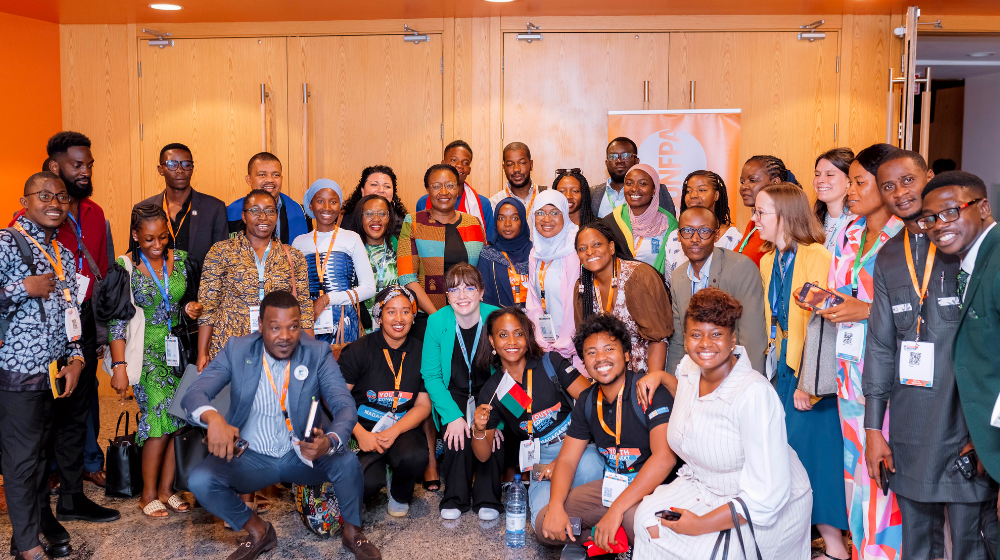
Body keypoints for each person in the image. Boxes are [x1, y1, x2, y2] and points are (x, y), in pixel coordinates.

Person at [183, 291, 381, 560]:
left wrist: (330, 440)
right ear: (261, 326)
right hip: (252, 457)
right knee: (201, 479)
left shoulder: (317, 352)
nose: (285, 336)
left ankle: (353, 533)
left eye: (293, 327)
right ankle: (258, 532)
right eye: (275, 328)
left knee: (346, 462)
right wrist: (213, 418)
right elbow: (194, 393)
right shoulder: (237, 350)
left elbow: (343, 405)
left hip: (303, 456)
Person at [865, 150, 992, 560]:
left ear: (930, 178)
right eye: (888, 186)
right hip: (912, 427)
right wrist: (872, 429)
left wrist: (988, 435)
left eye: (907, 181)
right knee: (918, 546)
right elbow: (881, 345)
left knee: (973, 544)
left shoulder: (964, 246)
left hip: (965, 424)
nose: (900, 193)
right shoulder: (886, 258)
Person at [631, 287, 813, 559]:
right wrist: (660, 376)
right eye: (696, 335)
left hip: (760, 503)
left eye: (716, 334)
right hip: (702, 486)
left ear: (733, 339)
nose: (705, 343)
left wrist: (700, 524)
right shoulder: (690, 369)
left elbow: (766, 496)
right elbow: (695, 406)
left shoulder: (753, 394)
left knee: (707, 552)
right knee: (646, 518)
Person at [806, 143, 904, 559]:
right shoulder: (848, 233)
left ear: (885, 187)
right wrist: (823, 299)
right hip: (848, 372)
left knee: (884, 479)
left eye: (860, 182)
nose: (850, 190)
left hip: (887, 375)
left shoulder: (906, 235)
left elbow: (916, 308)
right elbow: (845, 291)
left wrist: (864, 310)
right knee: (855, 478)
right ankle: (861, 550)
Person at [19, 133, 119, 520]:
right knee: (47, 414)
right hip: (43, 327)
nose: (85, 171)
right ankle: (40, 504)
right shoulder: (27, 222)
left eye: (89, 164)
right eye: (78, 165)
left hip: (82, 319)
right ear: (54, 167)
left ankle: (73, 497)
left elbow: (101, 270)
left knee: (79, 406)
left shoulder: (93, 212)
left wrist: (99, 329)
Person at [902, 169, 996, 558]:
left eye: (951, 212)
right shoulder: (974, 260)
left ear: (984, 207)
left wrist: (992, 438)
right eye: (930, 218)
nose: (939, 226)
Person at [535, 314, 676, 555]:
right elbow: (567, 460)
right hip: (612, 487)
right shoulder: (588, 401)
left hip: (654, 490)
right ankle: (607, 540)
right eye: (591, 353)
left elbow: (665, 458)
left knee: (634, 519)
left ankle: (624, 537)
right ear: (584, 363)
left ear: (627, 355)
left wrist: (616, 511)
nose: (600, 358)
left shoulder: (647, 390)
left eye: (609, 349)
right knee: (544, 524)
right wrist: (557, 506)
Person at [758, 183, 847, 558]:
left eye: (761, 212)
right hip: (779, 369)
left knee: (816, 456)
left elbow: (822, 323)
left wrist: (807, 384)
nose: (755, 218)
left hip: (808, 372)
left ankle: (835, 547)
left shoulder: (817, 256)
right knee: (787, 455)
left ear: (785, 215)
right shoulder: (766, 260)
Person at [0, 172, 87, 560]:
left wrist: (78, 357)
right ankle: (27, 547)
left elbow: (73, 311)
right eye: (45, 195)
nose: (55, 202)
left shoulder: (63, 253)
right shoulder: (6, 242)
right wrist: (24, 288)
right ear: (25, 200)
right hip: (16, 373)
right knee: (21, 461)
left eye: (62, 197)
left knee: (39, 459)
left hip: (53, 375)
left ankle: (32, 531)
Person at [104, 204, 203, 517]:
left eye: (162, 237)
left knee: (179, 421)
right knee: (158, 421)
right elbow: (117, 322)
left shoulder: (185, 261)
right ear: (135, 235)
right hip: (145, 353)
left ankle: (167, 489)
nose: (157, 245)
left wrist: (189, 308)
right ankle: (148, 495)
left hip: (180, 352)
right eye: (148, 240)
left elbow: (193, 299)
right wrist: (119, 367)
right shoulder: (125, 268)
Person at [470, 307, 604, 528]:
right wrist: (478, 429)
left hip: (576, 446)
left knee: (591, 471)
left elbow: (595, 402)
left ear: (528, 337)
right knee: (544, 526)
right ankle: (579, 531)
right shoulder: (493, 390)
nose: (512, 341)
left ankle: (587, 535)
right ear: (492, 342)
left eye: (519, 333)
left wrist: (561, 463)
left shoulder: (550, 363)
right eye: (503, 335)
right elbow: (483, 456)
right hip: (540, 461)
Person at [338, 286, 431, 517]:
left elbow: (423, 405)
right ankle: (380, 473)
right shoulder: (358, 350)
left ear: (413, 316)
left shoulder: (423, 352)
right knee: (367, 484)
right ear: (379, 316)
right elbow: (336, 399)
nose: (399, 319)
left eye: (405, 311)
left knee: (415, 456)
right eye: (391, 312)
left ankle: (400, 493)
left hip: (401, 427)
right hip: (362, 430)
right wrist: (359, 433)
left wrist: (396, 430)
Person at [420, 264, 502, 520]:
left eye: (469, 288)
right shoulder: (436, 321)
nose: (462, 295)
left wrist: (499, 418)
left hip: (492, 392)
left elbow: (509, 371)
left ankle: (488, 497)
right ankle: (455, 496)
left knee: (491, 436)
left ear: (481, 292)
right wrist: (452, 417)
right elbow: (431, 376)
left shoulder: (497, 317)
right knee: (457, 437)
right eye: (454, 289)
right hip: (452, 391)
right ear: (447, 295)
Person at [197, 189, 314, 368]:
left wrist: (310, 353)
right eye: (255, 210)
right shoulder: (221, 252)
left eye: (269, 210)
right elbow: (208, 306)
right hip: (230, 348)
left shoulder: (293, 256)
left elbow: (304, 309)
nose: (263, 216)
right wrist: (202, 353)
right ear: (243, 216)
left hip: (279, 349)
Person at [665, 207, 766, 374]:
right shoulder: (678, 277)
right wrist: (675, 387)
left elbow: (752, 340)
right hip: (696, 373)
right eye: (687, 231)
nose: (695, 239)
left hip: (734, 372)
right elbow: (678, 342)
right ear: (679, 235)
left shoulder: (740, 268)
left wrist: (746, 386)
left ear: (717, 235)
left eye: (704, 231)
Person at [573, 222, 673, 373]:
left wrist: (652, 382)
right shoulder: (582, 287)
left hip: (645, 372)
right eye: (582, 248)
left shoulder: (639, 277)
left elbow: (658, 339)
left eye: (597, 244)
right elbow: (587, 341)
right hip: (607, 373)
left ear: (611, 247)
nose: (590, 252)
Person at [292, 179, 375, 345]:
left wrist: (327, 299)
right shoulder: (299, 242)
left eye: (333, 202)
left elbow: (369, 288)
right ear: (310, 205)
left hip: (345, 323)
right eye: (320, 201)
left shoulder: (352, 238)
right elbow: (295, 289)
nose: (327, 207)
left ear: (340, 206)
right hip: (310, 322)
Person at [398, 164, 487, 316]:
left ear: (458, 189)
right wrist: (436, 317)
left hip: (468, 314)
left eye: (450, 185)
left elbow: (481, 273)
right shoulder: (413, 223)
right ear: (428, 190)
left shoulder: (474, 223)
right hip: (426, 316)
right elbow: (407, 277)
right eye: (436, 186)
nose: (444, 192)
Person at [135, 142, 228, 278]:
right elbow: (136, 255)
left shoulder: (214, 208)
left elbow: (222, 260)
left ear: (192, 168)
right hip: (156, 291)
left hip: (199, 293)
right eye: (172, 164)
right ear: (160, 169)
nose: (180, 170)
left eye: (186, 164)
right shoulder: (142, 209)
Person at [526, 190, 581, 364]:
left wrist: (563, 344)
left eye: (554, 212)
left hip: (573, 348)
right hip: (546, 346)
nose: (546, 219)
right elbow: (533, 301)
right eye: (540, 213)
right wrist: (541, 341)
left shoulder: (574, 251)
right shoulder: (535, 252)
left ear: (565, 214)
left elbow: (574, 304)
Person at [660, 170, 742, 279]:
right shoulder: (675, 236)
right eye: (688, 191)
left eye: (702, 190)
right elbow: (669, 281)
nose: (693, 195)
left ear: (716, 195)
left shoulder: (733, 237)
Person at [602, 164, 678, 275]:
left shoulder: (668, 224)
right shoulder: (611, 221)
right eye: (629, 183)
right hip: (617, 290)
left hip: (655, 288)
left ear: (654, 190)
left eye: (642, 183)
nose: (634, 189)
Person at [416, 140, 494, 242]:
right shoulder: (423, 202)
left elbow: (489, 245)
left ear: (469, 170)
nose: (459, 165)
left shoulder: (483, 204)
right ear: (443, 163)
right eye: (454, 160)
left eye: (465, 162)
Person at [227, 152, 310, 244]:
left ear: (281, 179)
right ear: (249, 180)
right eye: (262, 175)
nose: (270, 180)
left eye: (276, 175)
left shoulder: (302, 213)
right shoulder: (229, 213)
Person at [346, 194, 400, 333]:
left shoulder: (399, 248)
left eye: (382, 213)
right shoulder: (349, 251)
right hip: (359, 329)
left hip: (396, 326)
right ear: (360, 218)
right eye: (369, 214)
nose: (376, 219)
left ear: (390, 218)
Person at [591, 137, 676, 218]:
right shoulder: (592, 193)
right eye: (613, 157)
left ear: (636, 161)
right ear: (606, 163)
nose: (619, 161)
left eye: (626, 156)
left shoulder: (657, 190)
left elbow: (670, 225)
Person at [477, 198, 532, 309]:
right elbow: (485, 298)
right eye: (501, 218)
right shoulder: (487, 255)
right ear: (495, 222)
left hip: (534, 320)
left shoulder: (535, 252)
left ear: (522, 221)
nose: (507, 224)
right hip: (499, 320)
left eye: (514, 218)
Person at [735, 155, 790, 267]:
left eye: (752, 180)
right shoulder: (754, 223)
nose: (744, 187)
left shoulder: (782, 225)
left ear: (775, 183)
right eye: (742, 182)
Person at [340, 165, 408, 239]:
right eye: (374, 185)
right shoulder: (345, 220)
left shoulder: (404, 224)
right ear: (362, 191)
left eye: (387, 186)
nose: (381, 190)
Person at [814, 148, 856, 252]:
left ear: (849, 181)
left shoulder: (858, 223)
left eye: (829, 175)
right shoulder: (813, 221)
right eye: (817, 174)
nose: (820, 180)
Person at [489, 142, 546, 213]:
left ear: (531, 165)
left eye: (522, 163)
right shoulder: (494, 204)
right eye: (510, 164)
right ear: (504, 168)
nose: (516, 169)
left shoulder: (547, 196)